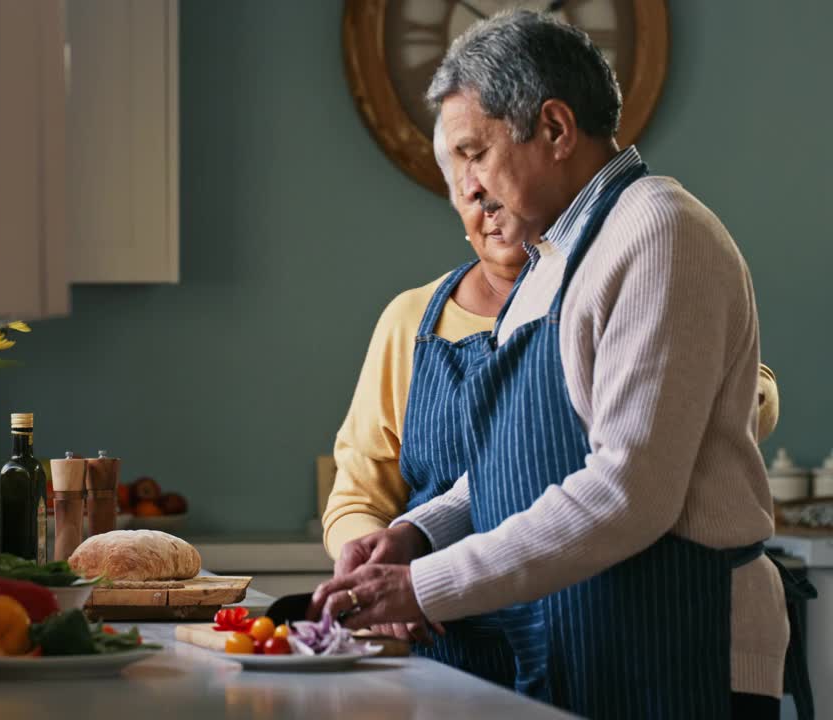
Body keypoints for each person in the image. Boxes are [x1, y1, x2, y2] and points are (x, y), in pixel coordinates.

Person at [312, 11, 813, 720]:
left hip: (679, 648)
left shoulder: (657, 232)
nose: (467, 187)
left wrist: (425, 586)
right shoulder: (556, 258)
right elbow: (526, 462)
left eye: (474, 152)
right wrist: (417, 532)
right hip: (587, 642)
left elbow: (625, 491)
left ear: (553, 128)